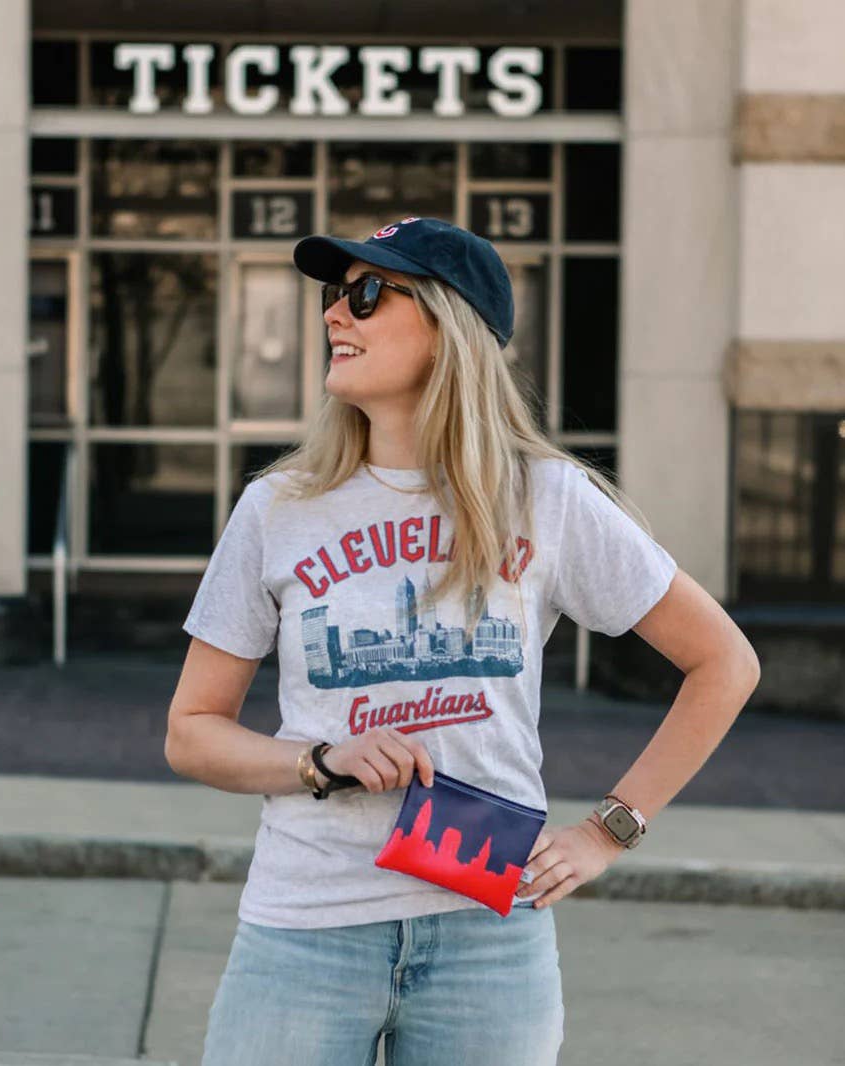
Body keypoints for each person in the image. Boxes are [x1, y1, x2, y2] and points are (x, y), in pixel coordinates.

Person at [165, 216, 761, 1066]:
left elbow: (725, 662)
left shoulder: (546, 499)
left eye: (367, 294)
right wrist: (318, 759)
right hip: (305, 931)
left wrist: (607, 832)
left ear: (452, 329)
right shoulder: (278, 509)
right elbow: (191, 732)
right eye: (335, 296)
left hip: (490, 931)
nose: (336, 315)